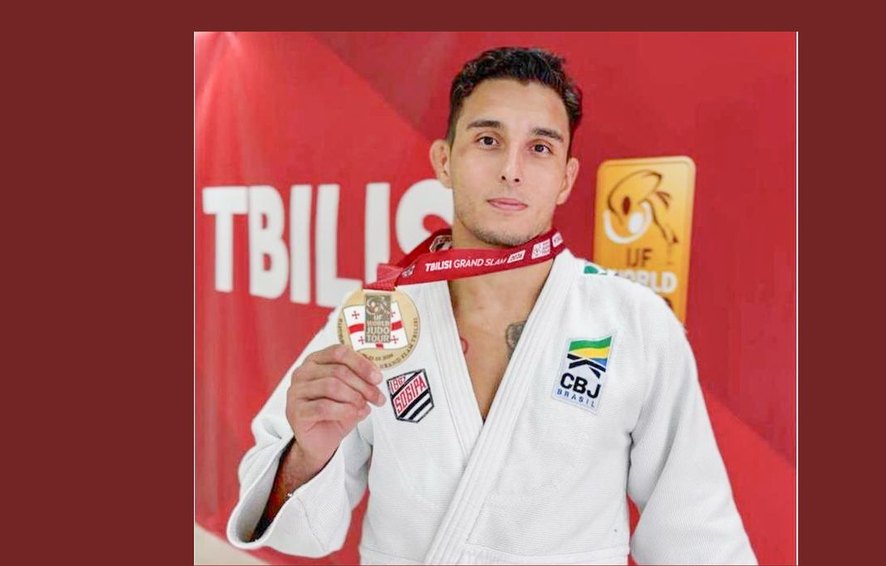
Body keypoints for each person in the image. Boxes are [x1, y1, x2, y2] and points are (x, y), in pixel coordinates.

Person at [227, 46, 757, 565]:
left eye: (540, 148)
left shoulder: (633, 322)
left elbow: (696, 535)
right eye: (487, 140)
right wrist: (306, 456)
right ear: (444, 161)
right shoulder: (379, 315)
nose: (511, 169)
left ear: (566, 178)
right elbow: (299, 529)